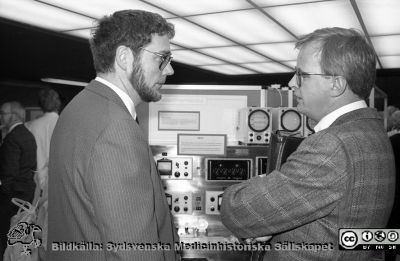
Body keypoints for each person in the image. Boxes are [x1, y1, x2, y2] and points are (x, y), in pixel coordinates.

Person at [221, 27, 395, 260]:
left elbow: (238, 211)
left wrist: (264, 184)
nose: (292, 82)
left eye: (302, 74)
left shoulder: (332, 146)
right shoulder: (372, 132)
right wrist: (274, 226)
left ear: (336, 84)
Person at [47, 10, 178, 261]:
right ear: (124, 57)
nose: (169, 69)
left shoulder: (78, 108)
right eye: (162, 58)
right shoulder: (116, 130)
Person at [0, 101, 36, 259]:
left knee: (5, 236)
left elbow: (9, 173)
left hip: (12, 197)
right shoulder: (28, 135)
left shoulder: (12, 138)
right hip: (26, 194)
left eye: (3, 113)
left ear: (14, 115)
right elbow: (32, 166)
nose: (0, 117)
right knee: (19, 238)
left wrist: (4, 192)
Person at [26, 88, 61, 195]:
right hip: (57, 184)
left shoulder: (29, 126)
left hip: (33, 182)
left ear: (40, 104)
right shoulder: (65, 125)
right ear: (58, 103)